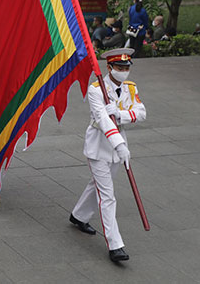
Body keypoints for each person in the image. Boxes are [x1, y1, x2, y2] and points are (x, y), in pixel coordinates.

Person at [69, 48, 146, 263]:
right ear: (109, 67)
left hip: (118, 145)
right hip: (99, 145)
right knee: (107, 194)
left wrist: (120, 114)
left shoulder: (131, 88)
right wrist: (119, 143)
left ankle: (78, 215)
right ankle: (115, 245)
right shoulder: (96, 90)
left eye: (126, 67)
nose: (123, 71)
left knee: (98, 185)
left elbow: (141, 113)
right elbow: (102, 120)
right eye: (119, 67)